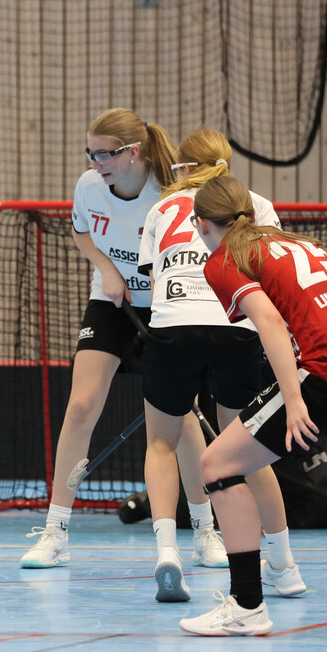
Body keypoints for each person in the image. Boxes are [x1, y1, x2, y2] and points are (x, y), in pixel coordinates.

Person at [179, 175, 327, 636]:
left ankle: (247, 606)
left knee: (215, 464)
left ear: (201, 224)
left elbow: (270, 322)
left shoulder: (225, 258)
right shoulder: (299, 243)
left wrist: (293, 400)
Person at [19, 108, 213, 577]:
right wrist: (107, 270)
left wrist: (162, 295)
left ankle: (206, 531)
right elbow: (81, 232)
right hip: (111, 302)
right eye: (90, 152)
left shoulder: (171, 193)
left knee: (182, 418)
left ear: (133, 153)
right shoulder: (89, 186)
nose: (94, 162)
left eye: (103, 154)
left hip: (166, 303)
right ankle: (55, 533)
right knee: (81, 406)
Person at [137, 129, 304, 602]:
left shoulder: (161, 208)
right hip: (237, 326)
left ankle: (167, 552)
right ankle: (284, 564)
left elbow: (152, 283)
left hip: (172, 326)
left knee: (161, 444)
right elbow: (272, 272)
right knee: (247, 451)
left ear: (185, 168)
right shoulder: (256, 203)